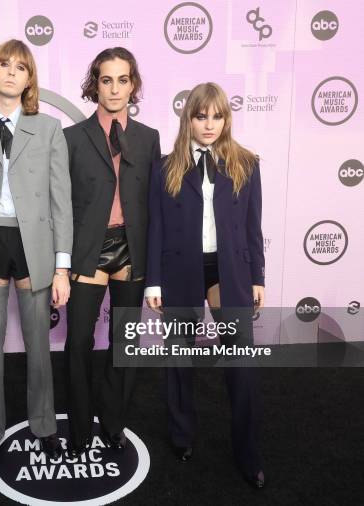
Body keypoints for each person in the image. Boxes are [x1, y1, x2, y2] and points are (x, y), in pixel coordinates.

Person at [0, 39, 72, 466]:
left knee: (40, 344)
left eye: (20, 67)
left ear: (29, 78)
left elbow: (62, 202)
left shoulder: (50, 128)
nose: (10, 73)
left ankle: (44, 425)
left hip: (34, 244)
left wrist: (62, 269)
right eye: (3, 65)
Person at [145, 82, 265, 488]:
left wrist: (258, 279)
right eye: (201, 116)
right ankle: (181, 436)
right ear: (189, 119)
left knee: (241, 365)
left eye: (217, 116)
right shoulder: (165, 167)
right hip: (181, 269)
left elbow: (252, 229)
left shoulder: (247, 163)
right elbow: (156, 229)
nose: (209, 124)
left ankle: (247, 453)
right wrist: (153, 282)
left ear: (226, 118)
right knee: (179, 358)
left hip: (229, 271)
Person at [63, 47, 160, 457]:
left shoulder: (149, 138)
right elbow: (60, 204)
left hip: (132, 249)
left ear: (133, 84)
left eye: (123, 80)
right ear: (95, 84)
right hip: (88, 249)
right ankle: (81, 426)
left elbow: (156, 205)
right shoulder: (70, 138)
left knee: (124, 343)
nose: (115, 88)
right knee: (79, 341)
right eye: (106, 80)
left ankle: (114, 420)